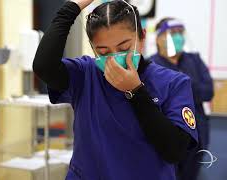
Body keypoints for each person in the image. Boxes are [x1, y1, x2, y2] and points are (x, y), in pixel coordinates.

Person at [33, 1, 198, 179]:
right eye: (103, 52)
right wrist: (71, 8)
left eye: (124, 48)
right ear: (93, 49)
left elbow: (175, 151)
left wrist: (135, 91)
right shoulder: (86, 74)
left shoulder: (173, 83)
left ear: (141, 38)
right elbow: (44, 66)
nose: (114, 58)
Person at [149, 18, 214, 180]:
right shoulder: (151, 65)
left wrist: (177, 87)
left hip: (197, 133)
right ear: (159, 38)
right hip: (167, 137)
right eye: (172, 33)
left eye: (180, 32)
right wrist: (189, 86)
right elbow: (155, 99)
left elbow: (208, 91)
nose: (178, 37)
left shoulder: (194, 60)